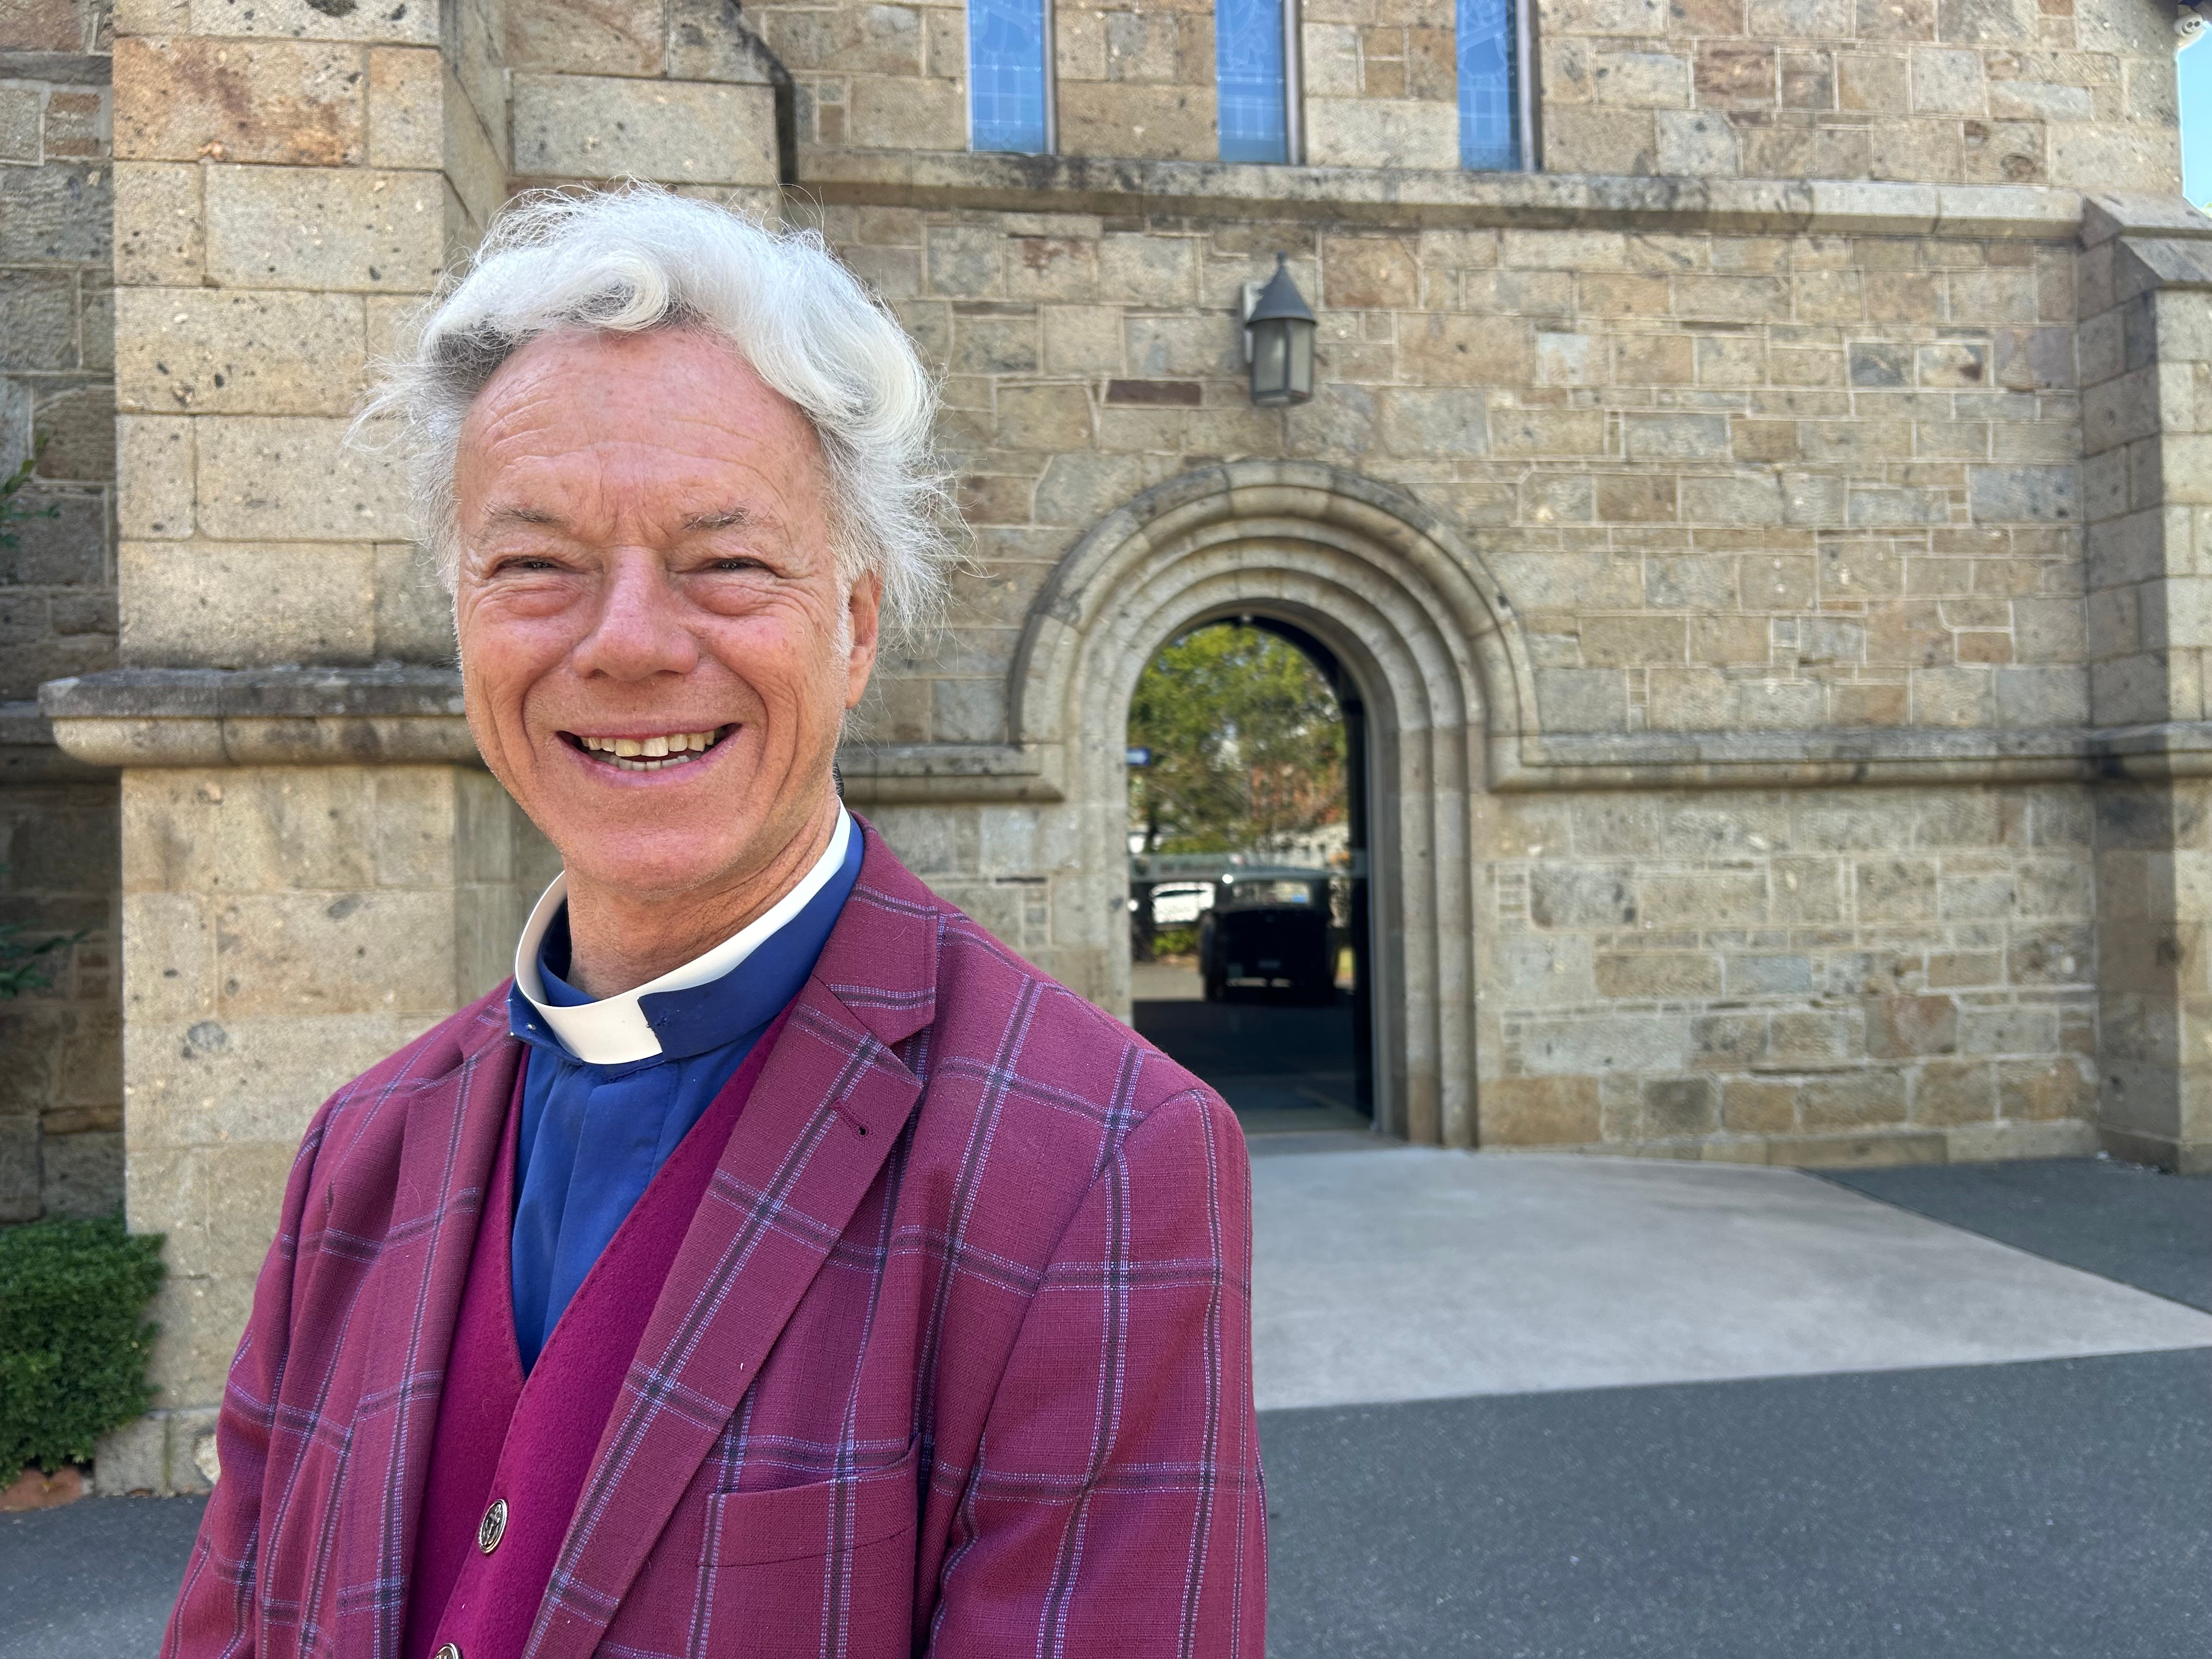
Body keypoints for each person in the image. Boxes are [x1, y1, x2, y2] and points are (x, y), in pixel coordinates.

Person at [163, 185, 1264, 1659]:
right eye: (535, 564)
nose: (625, 643)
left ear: (856, 625)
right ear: (465, 615)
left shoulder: (1095, 1160)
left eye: (726, 562)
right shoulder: (357, 1152)